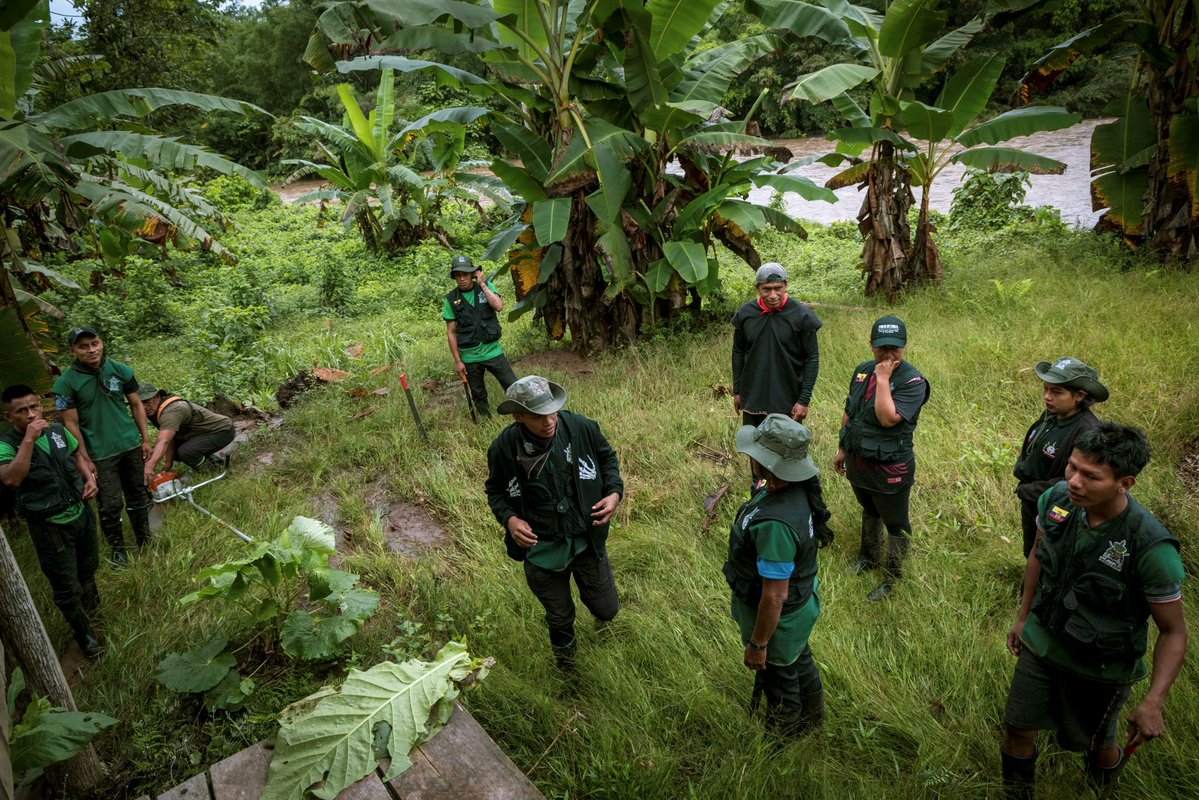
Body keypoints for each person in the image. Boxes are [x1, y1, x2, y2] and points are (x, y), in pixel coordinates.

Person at [1001, 423, 1187, 799]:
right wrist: (1023, 619)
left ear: (1125, 484)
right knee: (1017, 727)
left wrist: (1154, 701)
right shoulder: (1056, 500)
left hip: (1102, 667)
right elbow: (1037, 556)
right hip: (1042, 643)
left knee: (1097, 745)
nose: (1074, 481)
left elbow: (1174, 632)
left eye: (1091, 476)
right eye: (1072, 467)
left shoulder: (1150, 547)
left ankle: (1101, 789)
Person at [484, 376, 623, 670]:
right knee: (559, 617)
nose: (548, 421)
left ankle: (604, 625)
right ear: (519, 416)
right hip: (541, 548)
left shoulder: (581, 428)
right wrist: (510, 519)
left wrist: (614, 493)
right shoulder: (504, 448)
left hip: (586, 538)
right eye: (537, 416)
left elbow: (608, 460)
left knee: (607, 610)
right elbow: (495, 491)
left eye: (552, 411)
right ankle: (567, 668)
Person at [725, 414, 827, 736]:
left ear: (768, 464)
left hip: (779, 622)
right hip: (800, 608)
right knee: (799, 659)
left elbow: (774, 595)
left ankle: (784, 737)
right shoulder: (792, 489)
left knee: (779, 683)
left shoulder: (775, 526)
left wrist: (758, 644)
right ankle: (815, 718)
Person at [1, 384, 102, 658]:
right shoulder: (6, 445)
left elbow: (75, 455)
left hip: (80, 512)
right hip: (50, 526)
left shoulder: (57, 430)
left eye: (34, 406)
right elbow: (11, 479)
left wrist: (89, 478)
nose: (32, 414)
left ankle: (96, 615)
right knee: (66, 584)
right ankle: (85, 637)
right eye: (22, 411)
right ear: (9, 417)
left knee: (88, 567)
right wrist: (29, 440)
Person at [833, 316, 930, 601]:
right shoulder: (863, 371)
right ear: (871, 345)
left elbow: (888, 419)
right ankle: (868, 557)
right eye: (882, 348)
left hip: (891, 466)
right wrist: (842, 448)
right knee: (869, 508)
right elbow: (850, 411)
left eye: (894, 348)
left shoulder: (913, 381)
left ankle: (893, 578)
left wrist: (884, 379)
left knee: (896, 522)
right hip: (859, 458)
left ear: (905, 347)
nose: (888, 355)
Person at [52, 326, 151, 563]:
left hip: (129, 443)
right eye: (83, 347)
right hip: (99, 452)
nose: (91, 350)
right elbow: (70, 423)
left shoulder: (120, 370)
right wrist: (84, 456)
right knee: (110, 503)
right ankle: (119, 551)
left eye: (94, 344)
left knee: (138, 494)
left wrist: (145, 440)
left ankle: (145, 540)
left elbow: (136, 404)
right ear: (73, 351)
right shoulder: (65, 384)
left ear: (102, 343)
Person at [1013, 357, 1105, 558]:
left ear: (1079, 395)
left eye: (1056, 392)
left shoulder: (1087, 431)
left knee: (1049, 556)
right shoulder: (1052, 414)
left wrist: (1029, 490)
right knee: (1031, 551)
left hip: (1056, 507)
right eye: (1045, 389)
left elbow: (1076, 481)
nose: (1047, 397)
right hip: (1032, 500)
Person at [731, 263, 822, 427]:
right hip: (753, 396)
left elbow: (812, 358)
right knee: (752, 441)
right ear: (757, 288)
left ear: (786, 286)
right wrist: (737, 391)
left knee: (786, 442)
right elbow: (738, 352)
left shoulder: (802, 316)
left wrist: (803, 400)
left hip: (788, 399)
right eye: (767, 289)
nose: (773, 295)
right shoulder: (745, 314)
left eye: (778, 288)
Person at [443, 255, 517, 417]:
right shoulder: (450, 299)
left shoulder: (486, 287)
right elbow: (451, 332)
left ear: (472, 274)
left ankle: (524, 415)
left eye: (465, 274)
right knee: (478, 394)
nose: (462, 279)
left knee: (513, 386)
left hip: (493, 351)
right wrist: (458, 361)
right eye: (458, 275)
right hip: (470, 357)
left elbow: (499, 306)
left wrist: (482, 283)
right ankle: (485, 421)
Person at [138, 383, 235, 482]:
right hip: (201, 433)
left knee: (186, 452)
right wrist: (168, 463)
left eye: (146, 401)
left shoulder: (172, 411)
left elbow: (164, 441)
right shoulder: (155, 411)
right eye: (140, 404)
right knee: (176, 452)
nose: (144, 407)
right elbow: (170, 438)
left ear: (157, 397)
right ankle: (213, 460)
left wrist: (149, 467)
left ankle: (214, 475)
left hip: (222, 430)